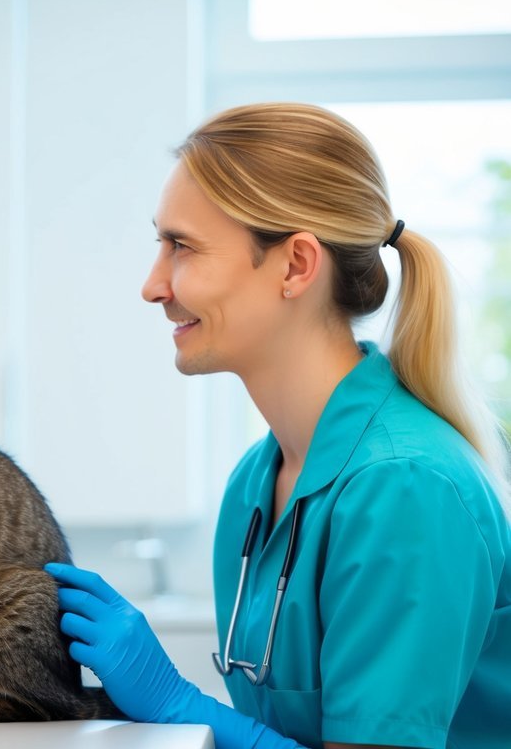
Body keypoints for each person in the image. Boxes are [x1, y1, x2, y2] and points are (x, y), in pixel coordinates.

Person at [48, 102, 511, 749]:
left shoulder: (406, 489)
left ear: (295, 265)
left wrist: (181, 703)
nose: (152, 286)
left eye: (180, 246)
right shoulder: (254, 485)